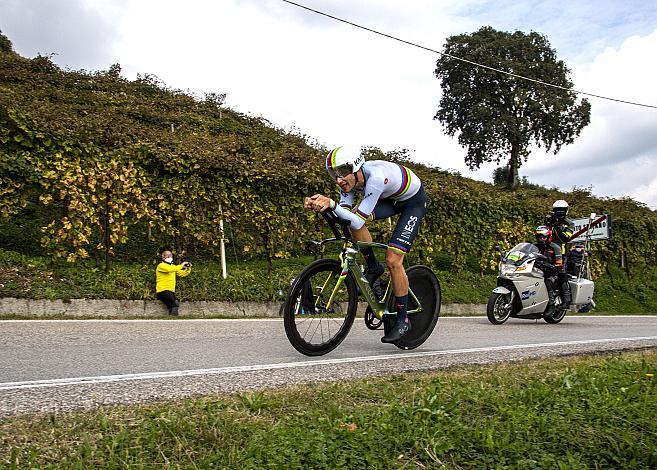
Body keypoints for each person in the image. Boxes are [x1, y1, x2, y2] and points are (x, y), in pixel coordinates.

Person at [304, 146, 427, 343]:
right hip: (389, 199)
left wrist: (332, 204)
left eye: (343, 172)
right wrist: (320, 205)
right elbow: (345, 215)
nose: (338, 179)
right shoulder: (347, 181)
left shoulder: (376, 178)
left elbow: (357, 221)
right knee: (352, 217)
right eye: (333, 173)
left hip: (413, 202)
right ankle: (373, 267)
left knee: (393, 260)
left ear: (356, 167)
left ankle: (403, 319)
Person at [544, 200, 575, 308]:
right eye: (557, 210)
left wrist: (556, 225)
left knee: (561, 274)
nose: (559, 213)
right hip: (547, 251)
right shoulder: (551, 221)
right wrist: (547, 223)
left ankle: (566, 300)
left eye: (562, 210)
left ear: (566, 211)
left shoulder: (570, 223)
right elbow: (544, 234)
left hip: (561, 253)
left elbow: (565, 238)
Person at [532, 225, 564, 317]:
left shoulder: (555, 247)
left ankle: (551, 304)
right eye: (539, 236)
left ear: (548, 236)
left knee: (548, 282)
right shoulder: (534, 246)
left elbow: (559, 264)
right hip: (537, 269)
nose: (541, 239)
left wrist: (551, 266)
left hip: (551, 272)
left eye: (543, 237)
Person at [155, 249, 191, 316]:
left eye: (170, 255)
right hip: (162, 290)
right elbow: (169, 269)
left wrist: (188, 268)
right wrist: (181, 265)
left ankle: (171, 319)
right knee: (175, 303)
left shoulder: (173, 266)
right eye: (167, 255)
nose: (169, 257)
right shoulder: (161, 266)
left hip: (171, 290)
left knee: (171, 306)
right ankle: (174, 317)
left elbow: (182, 274)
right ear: (163, 257)